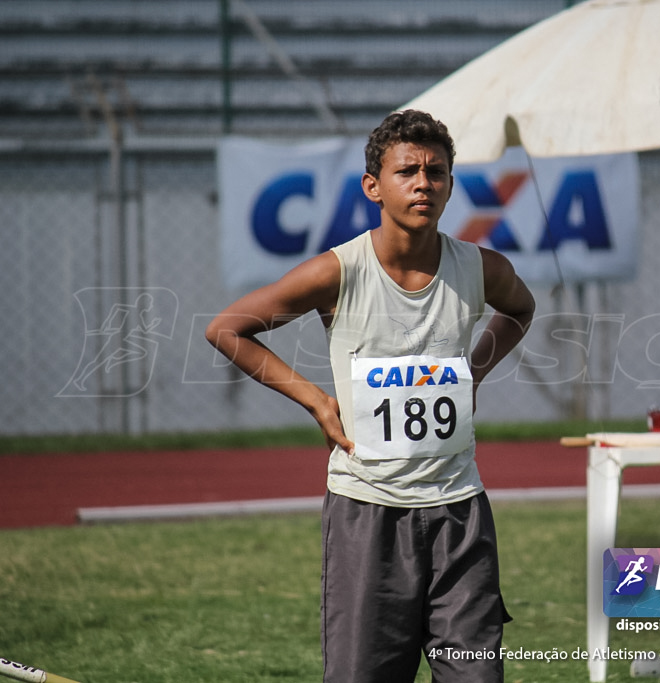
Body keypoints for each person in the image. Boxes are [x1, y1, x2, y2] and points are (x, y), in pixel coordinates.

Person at [205, 109, 535, 682]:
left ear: (453, 184)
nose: (423, 183)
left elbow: (521, 310)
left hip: (459, 509)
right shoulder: (338, 272)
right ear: (373, 187)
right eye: (407, 171)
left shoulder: (480, 268)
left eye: (436, 172)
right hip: (367, 509)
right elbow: (227, 329)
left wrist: (474, 372)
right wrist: (317, 401)